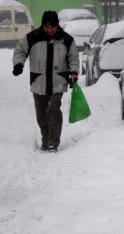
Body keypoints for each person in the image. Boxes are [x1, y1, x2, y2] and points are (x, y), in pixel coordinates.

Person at [12, 10, 79, 152]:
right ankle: (45, 137)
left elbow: (73, 57)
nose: (50, 30)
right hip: (38, 81)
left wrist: (73, 72)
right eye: (47, 27)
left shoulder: (66, 39)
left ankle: (54, 142)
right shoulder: (32, 37)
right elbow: (20, 50)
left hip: (58, 81)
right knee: (41, 113)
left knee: (54, 109)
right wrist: (19, 64)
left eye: (53, 27)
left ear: (57, 26)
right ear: (43, 25)